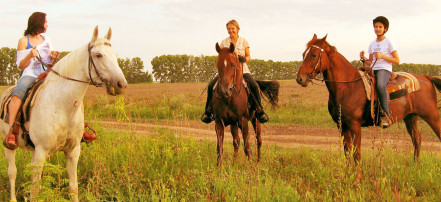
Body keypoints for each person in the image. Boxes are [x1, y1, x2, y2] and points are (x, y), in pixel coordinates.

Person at [2, 12, 94, 150]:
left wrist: (53, 57)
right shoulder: (23, 41)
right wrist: (29, 55)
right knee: (17, 94)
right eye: (45, 22)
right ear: (38, 23)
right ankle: (12, 132)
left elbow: (48, 61)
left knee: (74, 94)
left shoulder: (47, 39)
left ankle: (78, 130)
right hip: (30, 74)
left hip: (47, 73)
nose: (47, 25)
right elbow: (20, 65)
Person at [201, 19, 269, 124]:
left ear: (237, 29)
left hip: (242, 70)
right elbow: (222, 56)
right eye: (229, 29)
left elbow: (249, 56)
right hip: (227, 71)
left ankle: (259, 111)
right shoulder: (224, 42)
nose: (230, 31)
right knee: (211, 86)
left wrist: (244, 59)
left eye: (233, 28)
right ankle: (208, 111)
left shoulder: (244, 41)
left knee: (254, 85)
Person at [360, 16, 400, 128]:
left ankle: (386, 116)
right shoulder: (372, 44)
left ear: (385, 29)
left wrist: (382, 56)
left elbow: (397, 60)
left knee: (380, 85)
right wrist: (364, 59)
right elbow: (371, 62)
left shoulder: (389, 42)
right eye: (376, 26)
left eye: (380, 27)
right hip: (373, 69)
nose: (377, 29)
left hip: (384, 69)